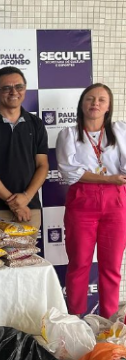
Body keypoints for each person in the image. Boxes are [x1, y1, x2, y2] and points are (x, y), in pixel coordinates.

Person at [56, 83, 126, 318]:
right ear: (82, 104)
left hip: (115, 204)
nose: (95, 103)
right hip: (82, 202)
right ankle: (75, 320)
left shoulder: (120, 131)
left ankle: (109, 324)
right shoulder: (68, 134)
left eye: (101, 100)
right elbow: (69, 172)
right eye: (90, 99)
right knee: (79, 265)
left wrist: (109, 179)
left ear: (108, 107)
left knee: (111, 268)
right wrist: (109, 178)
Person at [0, 67, 48, 228]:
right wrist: (15, 203)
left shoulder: (36, 124)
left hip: (29, 208)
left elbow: (43, 165)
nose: (14, 92)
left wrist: (26, 198)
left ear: (25, 89)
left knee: (28, 254)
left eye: (19, 87)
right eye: (6, 88)